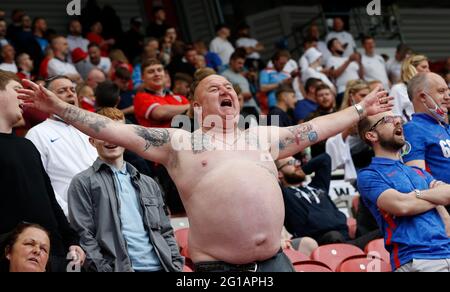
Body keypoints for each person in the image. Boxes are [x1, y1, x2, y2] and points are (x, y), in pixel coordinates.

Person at [19, 67, 393, 272]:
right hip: (219, 268)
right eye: (214, 88)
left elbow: (315, 128)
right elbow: (115, 129)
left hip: (276, 260)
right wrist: (61, 108)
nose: (225, 89)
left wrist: (360, 110)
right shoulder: (179, 142)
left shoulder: (260, 135)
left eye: (229, 86)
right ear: (196, 108)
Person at [68, 108, 183, 272]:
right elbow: (84, 235)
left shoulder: (148, 183)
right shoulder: (82, 182)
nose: (110, 139)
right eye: (102, 133)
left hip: (162, 267)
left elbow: (165, 230)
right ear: (92, 141)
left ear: (128, 139)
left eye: (116, 133)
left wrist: (175, 264)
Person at [0, 70, 85, 272]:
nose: (24, 97)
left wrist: (71, 239)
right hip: (11, 257)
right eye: (17, 90)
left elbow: (50, 200)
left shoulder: (27, 146)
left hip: (53, 255)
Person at [357, 111, 450, 272]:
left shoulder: (417, 171)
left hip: (446, 251)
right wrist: (435, 197)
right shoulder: (369, 175)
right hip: (415, 259)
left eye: (398, 118)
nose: (398, 122)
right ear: (371, 135)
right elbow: (402, 206)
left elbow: (448, 193)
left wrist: (417, 195)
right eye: (388, 120)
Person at [25, 75, 97, 216]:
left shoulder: (90, 127)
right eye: (62, 90)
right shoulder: (37, 133)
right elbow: (39, 181)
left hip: (108, 209)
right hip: (73, 216)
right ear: (47, 98)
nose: (70, 93)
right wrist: (68, 214)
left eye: (73, 90)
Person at [402, 73, 450, 211]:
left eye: (447, 90)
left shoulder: (446, 128)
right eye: (441, 91)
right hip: (444, 207)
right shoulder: (412, 129)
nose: (448, 96)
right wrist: (444, 215)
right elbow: (418, 179)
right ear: (423, 96)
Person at [134, 58, 189, 128]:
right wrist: (191, 108)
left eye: (159, 70)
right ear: (142, 77)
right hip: (159, 138)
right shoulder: (140, 97)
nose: (156, 74)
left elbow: (193, 114)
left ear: (164, 74)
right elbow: (160, 113)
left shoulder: (179, 98)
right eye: (151, 72)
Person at [391, 54, 430, 122]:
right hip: (409, 130)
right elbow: (395, 116)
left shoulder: (426, 89)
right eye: (424, 67)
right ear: (411, 68)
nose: (428, 71)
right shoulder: (397, 89)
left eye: (428, 67)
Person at [326, 38, 363, 105]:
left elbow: (361, 76)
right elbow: (334, 74)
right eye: (337, 43)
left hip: (359, 89)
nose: (341, 44)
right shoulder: (331, 59)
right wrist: (349, 61)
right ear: (332, 48)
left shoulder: (348, 58)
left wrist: (360, 62)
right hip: (344, 91)